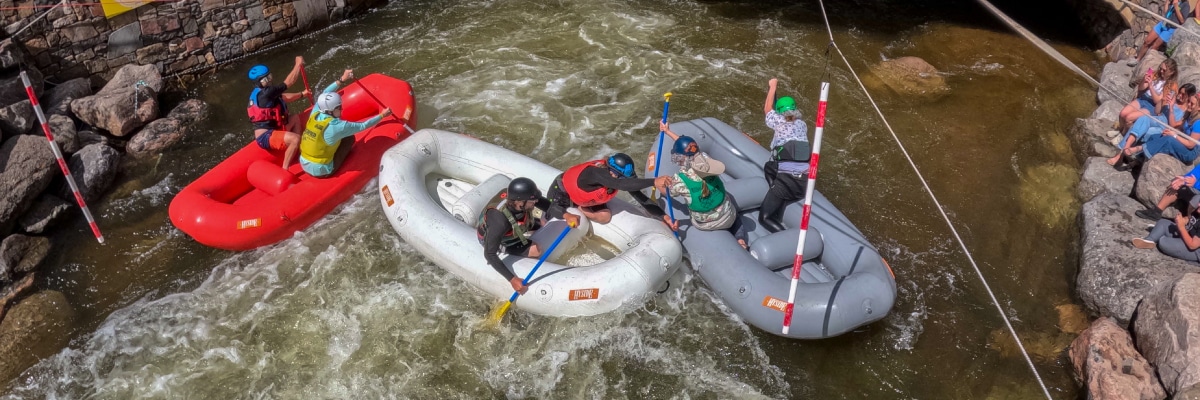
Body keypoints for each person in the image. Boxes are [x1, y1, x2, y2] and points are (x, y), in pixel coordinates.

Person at [477, 178, 581, 294]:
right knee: (535, 250)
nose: (536, 202)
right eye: (532, 201)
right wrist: (512, 279)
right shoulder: (500, 222)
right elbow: (489, 254)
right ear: (520, 202)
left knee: (543, 223)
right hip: (500, 239)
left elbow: (548, 206)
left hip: (515, 224)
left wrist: (566, 215)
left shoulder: (519, 199)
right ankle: (504, 248)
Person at [656, 121, 747, 248]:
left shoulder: (680, 180)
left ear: (681, 157)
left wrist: (657, 182)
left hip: (705, 223)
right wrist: (668, 132)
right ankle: (741, 240)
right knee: (735, 217)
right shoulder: (707, 160)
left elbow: (667, 193)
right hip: (727, 215)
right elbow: (691, 149)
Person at [299, 69, 392, 178]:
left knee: (332, 140)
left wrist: (342, 79)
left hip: (303, 163)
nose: (342, 109)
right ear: (331, 110)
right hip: (322, 171)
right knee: (349, 139)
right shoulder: (338, 126)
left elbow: (325, 93)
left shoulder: (315, 112)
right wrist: (382, 115)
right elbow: (363, 125)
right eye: (339, 107)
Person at [545, 153, 675, 230]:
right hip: (562, 192)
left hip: (583, 200)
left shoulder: (618, 176)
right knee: (548, 219)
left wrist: (664, 216)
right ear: (612, 172)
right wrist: (654, 181)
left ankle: (581, 210)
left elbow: (639, 196)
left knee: (605, 217)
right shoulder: (595, 173)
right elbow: (619, 184)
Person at [759, 78, 811, 233]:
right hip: (804, 182)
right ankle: (776, 191)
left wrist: (773, 86)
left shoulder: (779, 121)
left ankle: (785, 235)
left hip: (788, 183)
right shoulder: (802, 124)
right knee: (769, 167)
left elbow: (768, 109)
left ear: (780, 111)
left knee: (765, 218)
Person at [247, 56, 310, 169]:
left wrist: (302, 94)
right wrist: (298, 64)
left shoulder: (264, 93)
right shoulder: (266, 93)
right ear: (260, 82)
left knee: (294, 117)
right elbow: (289, 82)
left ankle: (299, 151)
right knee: (295, 138)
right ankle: (285, 169)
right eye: (267, 78)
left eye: (270, 76)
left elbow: (284, 97)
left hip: (276, 129)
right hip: (266, 136)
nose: (270, 80)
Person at [1109, 82, 1193, 167]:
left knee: (1146, 131)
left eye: (1184, 94)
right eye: (1180, 92)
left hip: (1166, 128)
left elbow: (1173, 125)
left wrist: (1171, 108)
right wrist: (1162, 100)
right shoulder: (1173, 98)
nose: (1180, 95)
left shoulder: (1187, 112)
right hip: (1159, 119)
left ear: (1189, 97)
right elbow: (1157, 111)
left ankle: (1128, 155)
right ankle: (1124, 151)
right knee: (1143, 119)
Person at [1129, 88, 1200, 165]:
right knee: (1157, 136)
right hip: (1184, 144)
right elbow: (1180, 129)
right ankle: (1139, 158)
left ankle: (1139, 149)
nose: (1188, 104)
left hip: (1189, 153)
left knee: (1168, 140)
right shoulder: (1189, 116)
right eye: (1189, 102)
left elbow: (1190, 144)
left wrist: (1174, 135)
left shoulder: (1198, 123)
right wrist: (1170, 132)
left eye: (1192, 104)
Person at [1131, 192, 1200, 263]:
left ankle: (1158, 234)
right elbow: (1190, 219)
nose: (1198, 204)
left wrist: (1181, 227)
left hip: (1194, 250)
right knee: (1163, 222)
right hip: (1187, 235)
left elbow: (1192, 245)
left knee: (1163, 242)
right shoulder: (1198, 212)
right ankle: (1149, 240)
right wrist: (1183, 220)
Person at [1118, 58, 1178, 133]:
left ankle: (1123, 135)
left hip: (1152, 107)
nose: (1161, 71)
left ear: (1171, 72)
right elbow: (1141, 88)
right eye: (1161, 68)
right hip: (1144, 98)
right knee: (1122, 114)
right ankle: (1120, 130)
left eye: (1164, 70)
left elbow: (1157, 101)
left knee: (1129, 118)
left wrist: (1151, 87)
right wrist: (1144, 80)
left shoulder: (1171, 86)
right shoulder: (1156, 74)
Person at [1135, 164, 1200, 221]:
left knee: (1197, 198)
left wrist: (1195, 184)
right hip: (1195, 190)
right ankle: (1156, 212)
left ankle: (1189, 219)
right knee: (1177, 184)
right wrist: (1184, 179)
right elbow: (1193, 174)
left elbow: (1195, 182)